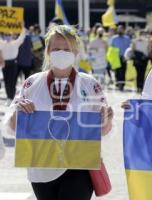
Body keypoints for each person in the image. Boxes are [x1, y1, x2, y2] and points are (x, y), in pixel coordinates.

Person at [8, 25, 113, 200]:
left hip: (79, 164)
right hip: (41, 167)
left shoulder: (90, 84)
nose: (62, 53)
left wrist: (106, 120)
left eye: (67, 49)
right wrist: (18, 114)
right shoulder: (32, 83)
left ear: (76, 52)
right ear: (48, 51)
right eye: (56, 49)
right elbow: (13, 126)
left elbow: (103, 130)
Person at [0, 28, 26, 105]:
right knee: (6, 81)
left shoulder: (15, 43)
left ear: (12, 35)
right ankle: (9, 97)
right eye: (6, 35)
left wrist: (22, 27)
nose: (7, 36)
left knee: (12, 81)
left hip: (13, 63)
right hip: (5, 63)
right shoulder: (2, 43)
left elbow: (22, 36)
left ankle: (12, 97)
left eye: (9, 35)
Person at [111, 25, 131, 91]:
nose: (120, 30)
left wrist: (128, 57)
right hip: (116, 57)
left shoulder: (127, 38)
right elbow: (111, 48)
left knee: (123, 71)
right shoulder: (114, 38)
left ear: (124, 30)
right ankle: (118, 83)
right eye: (119, 29)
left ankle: (122, 85)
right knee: (117, 71)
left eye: (121, 29)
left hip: (124, 57)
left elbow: (129, 48)